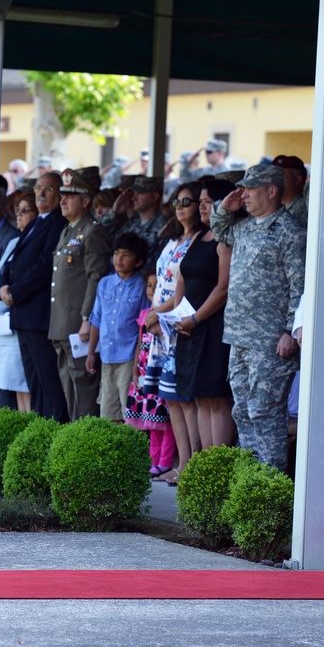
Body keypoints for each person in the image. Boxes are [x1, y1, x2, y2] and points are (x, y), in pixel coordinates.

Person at [211, 163, 305, 472]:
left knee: (265, 412)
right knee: (243, 411)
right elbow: (218, 228)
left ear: (272, 191)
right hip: (239, 336)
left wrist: (290, 330)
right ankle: (249, 481)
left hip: (270, 341)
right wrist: (225, 207)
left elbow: (300, 284)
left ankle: (269, 486)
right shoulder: (244, 226)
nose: (244, 195)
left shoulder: (290, 232)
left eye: (250, 189)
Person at [145, 182, 205, 485]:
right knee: (171, 399)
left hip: (178, 324)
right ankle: (182, 464)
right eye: (176, 202)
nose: (180, 207)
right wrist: (155, 315)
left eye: (187, 201)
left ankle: (193, 463)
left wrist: (158, 313)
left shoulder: (198, 239)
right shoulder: (173, 239)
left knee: (186, 398)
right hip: (161, 329)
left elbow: (184, 290)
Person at [0, 171, 69, 422]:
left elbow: (44, 265)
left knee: (47, 377)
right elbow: (13, 261)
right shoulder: (37, 221)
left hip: (38, 313)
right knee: (33, 379)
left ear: (60, 195)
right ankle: (39, 427)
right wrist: (3, 286)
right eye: (38, 188)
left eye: (48, 189)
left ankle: (54, 427)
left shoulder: (58, 222)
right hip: (23, 312)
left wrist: (15, 292)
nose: (40, 193)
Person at [171, 179, 236, 450]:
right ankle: (202, 467)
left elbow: (223, 287)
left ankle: (216, 466)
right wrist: (177, 315)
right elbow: (182, 278)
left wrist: (195, 318)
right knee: (198, 396)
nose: (203, 207)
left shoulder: (225, 239)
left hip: (212, 325)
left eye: (209, 202)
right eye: (202, 202)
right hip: (189, 326)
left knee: (216, 398)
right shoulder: (198, 236)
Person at [49, 167, 113, 421]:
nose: (62, 200)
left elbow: (95, 277)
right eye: (62, 195)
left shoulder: (93, 231)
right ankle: (74, 435)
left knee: (83, 384)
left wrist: (88, 317)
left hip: (78, 321)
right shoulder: (69, 230)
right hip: (62, 320)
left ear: (85, 201)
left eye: (70, 196)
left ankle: (83, 435)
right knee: (68, 382)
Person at [87, 232, 150, 422]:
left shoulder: (141, 286)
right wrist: (91, 353)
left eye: (126, 255)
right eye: (116, 253)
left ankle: (130, 450)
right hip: (107, 355)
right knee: (107, 410)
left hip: (129, 356)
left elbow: (143, 326)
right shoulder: (104, 284)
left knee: (128, 409)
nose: (119, 259)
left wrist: (139, 362)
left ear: (138, 262)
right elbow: (96, 319)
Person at [125, 273, 176, 477]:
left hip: (161, 370)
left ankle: (165, 461)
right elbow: (140, 343)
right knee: (153, 419)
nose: (151, 290)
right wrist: (135, 370)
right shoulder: (145, 314)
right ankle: (153, 460)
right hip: (146, 371)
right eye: (149, 285)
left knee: (167, 420)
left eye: (157, 286)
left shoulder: (166, 314)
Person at [0, 194, 35, 413]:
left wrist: (2, 304)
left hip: (20, 317)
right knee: (8, 384)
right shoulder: (15, 241)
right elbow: (0, 275)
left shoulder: (34, 240)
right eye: (18, 209)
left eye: (25, 210)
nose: (19, 214)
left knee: (24, 383)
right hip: (3, 320)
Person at [98, 175, 169, 276]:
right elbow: (100, 235)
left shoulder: (165, 227)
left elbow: (155, 265)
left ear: (154, 197)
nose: (134, 198)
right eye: (134, 193)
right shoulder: (131, 223)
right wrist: (114, 213)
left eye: (139, 193)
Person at [272, 155, 309, 229]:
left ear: (297, 180)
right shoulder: (272, 207)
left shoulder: (304, 209)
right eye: (272, 175)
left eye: (279, 175)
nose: (273, 180)